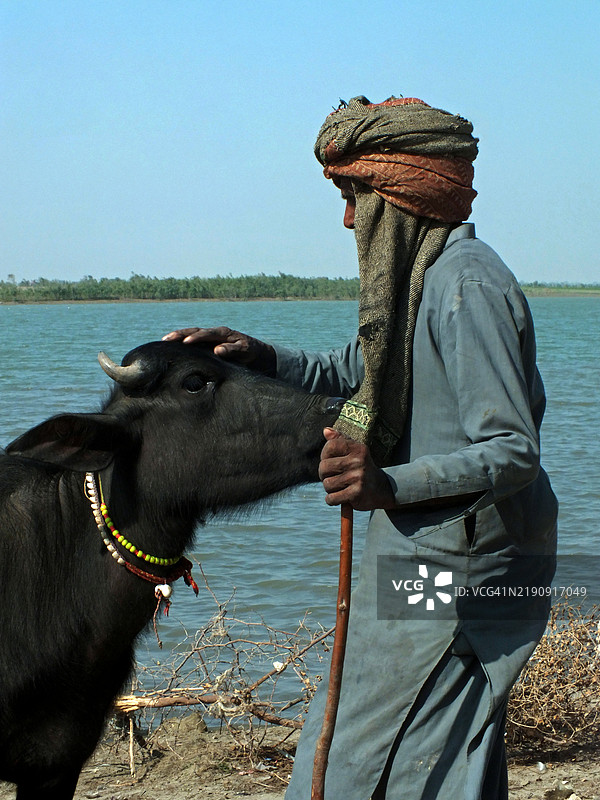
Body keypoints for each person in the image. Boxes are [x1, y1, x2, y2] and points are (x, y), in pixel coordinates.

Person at [164, 96, 557, 800]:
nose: (347, 219)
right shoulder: (420, 284)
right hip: (419, 555)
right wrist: (256, 355)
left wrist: (388, 487)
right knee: (444, 754)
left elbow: (512, 452)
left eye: (355, 196)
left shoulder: (466, 287)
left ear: (402, 194)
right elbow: (357, 371)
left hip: (460, 574)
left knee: (353, 754)